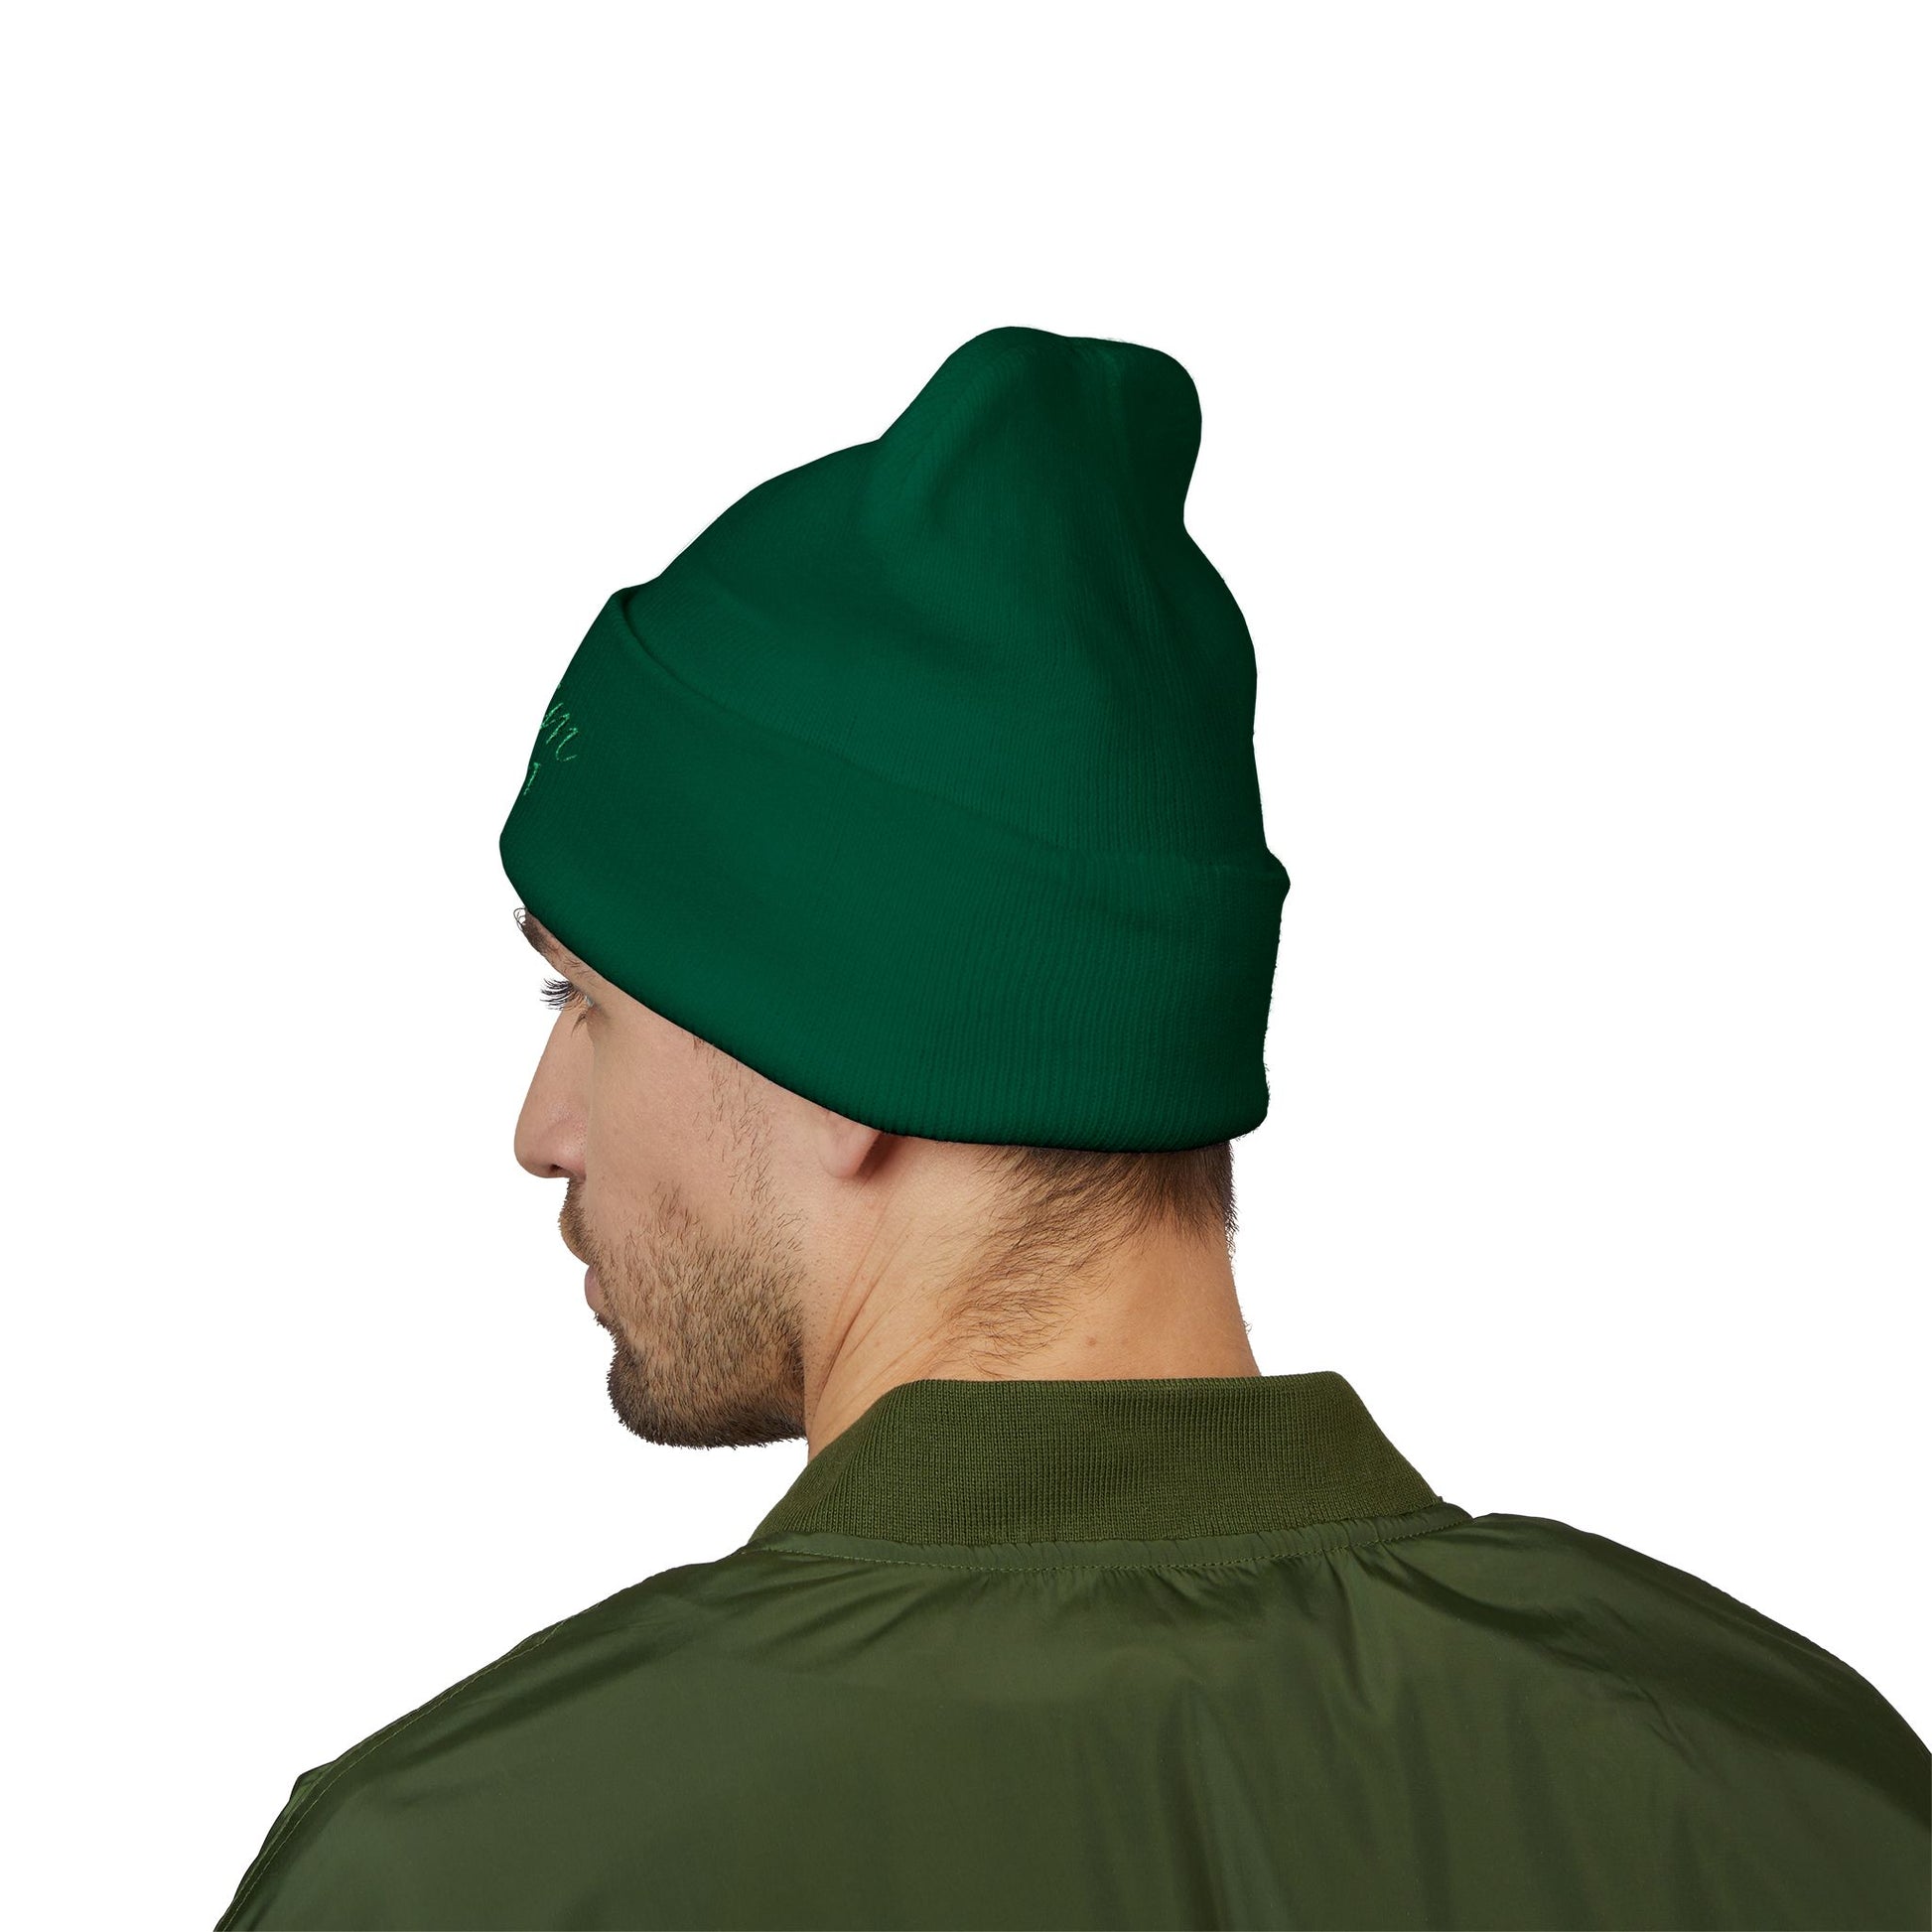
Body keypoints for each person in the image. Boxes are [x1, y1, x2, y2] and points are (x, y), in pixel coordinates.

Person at [214, 326, 1929, 1931]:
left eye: (580, 998)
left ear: (840, 1043)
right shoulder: (1800, 1796)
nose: (542, 1127)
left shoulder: (472, 1867)